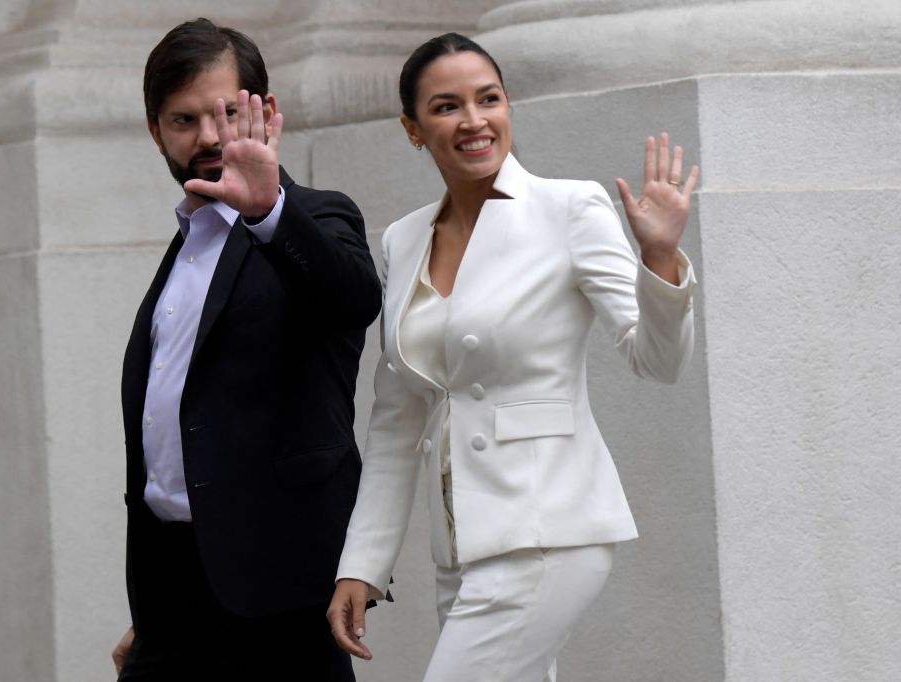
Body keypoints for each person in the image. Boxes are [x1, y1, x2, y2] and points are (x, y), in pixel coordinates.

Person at [327, 32, 699, 681]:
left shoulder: (569, 208)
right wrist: (361, 563)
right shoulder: (404, 238)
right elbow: (396, 423)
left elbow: (657, 360)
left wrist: (660, 258)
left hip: (545, 532)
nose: (474, 120)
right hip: (459, 547)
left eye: (489, 99)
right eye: (446, 106)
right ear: (413, 129)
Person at [111, 18, 381, 681]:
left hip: (279, 599)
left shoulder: (315, 216)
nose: (208, 137)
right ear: (156, 133)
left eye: (227, 113)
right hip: (173, 593)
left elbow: (352, 301)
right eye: (183, 120)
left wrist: (267, 212)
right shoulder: (184, 249)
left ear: (267, 112)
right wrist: (151, 612)